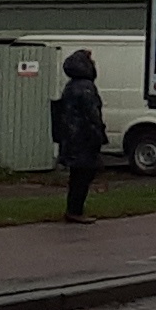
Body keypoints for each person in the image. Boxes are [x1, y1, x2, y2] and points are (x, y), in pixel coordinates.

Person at [54, 48, 107, 223]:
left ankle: (73, 209)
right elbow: (92, 114)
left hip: (72, 138)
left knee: (77, 175)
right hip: (84, 138)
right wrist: (99, 133)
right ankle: (75, 210)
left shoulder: (71, 86)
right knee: (83, 175)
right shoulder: (86, 88)